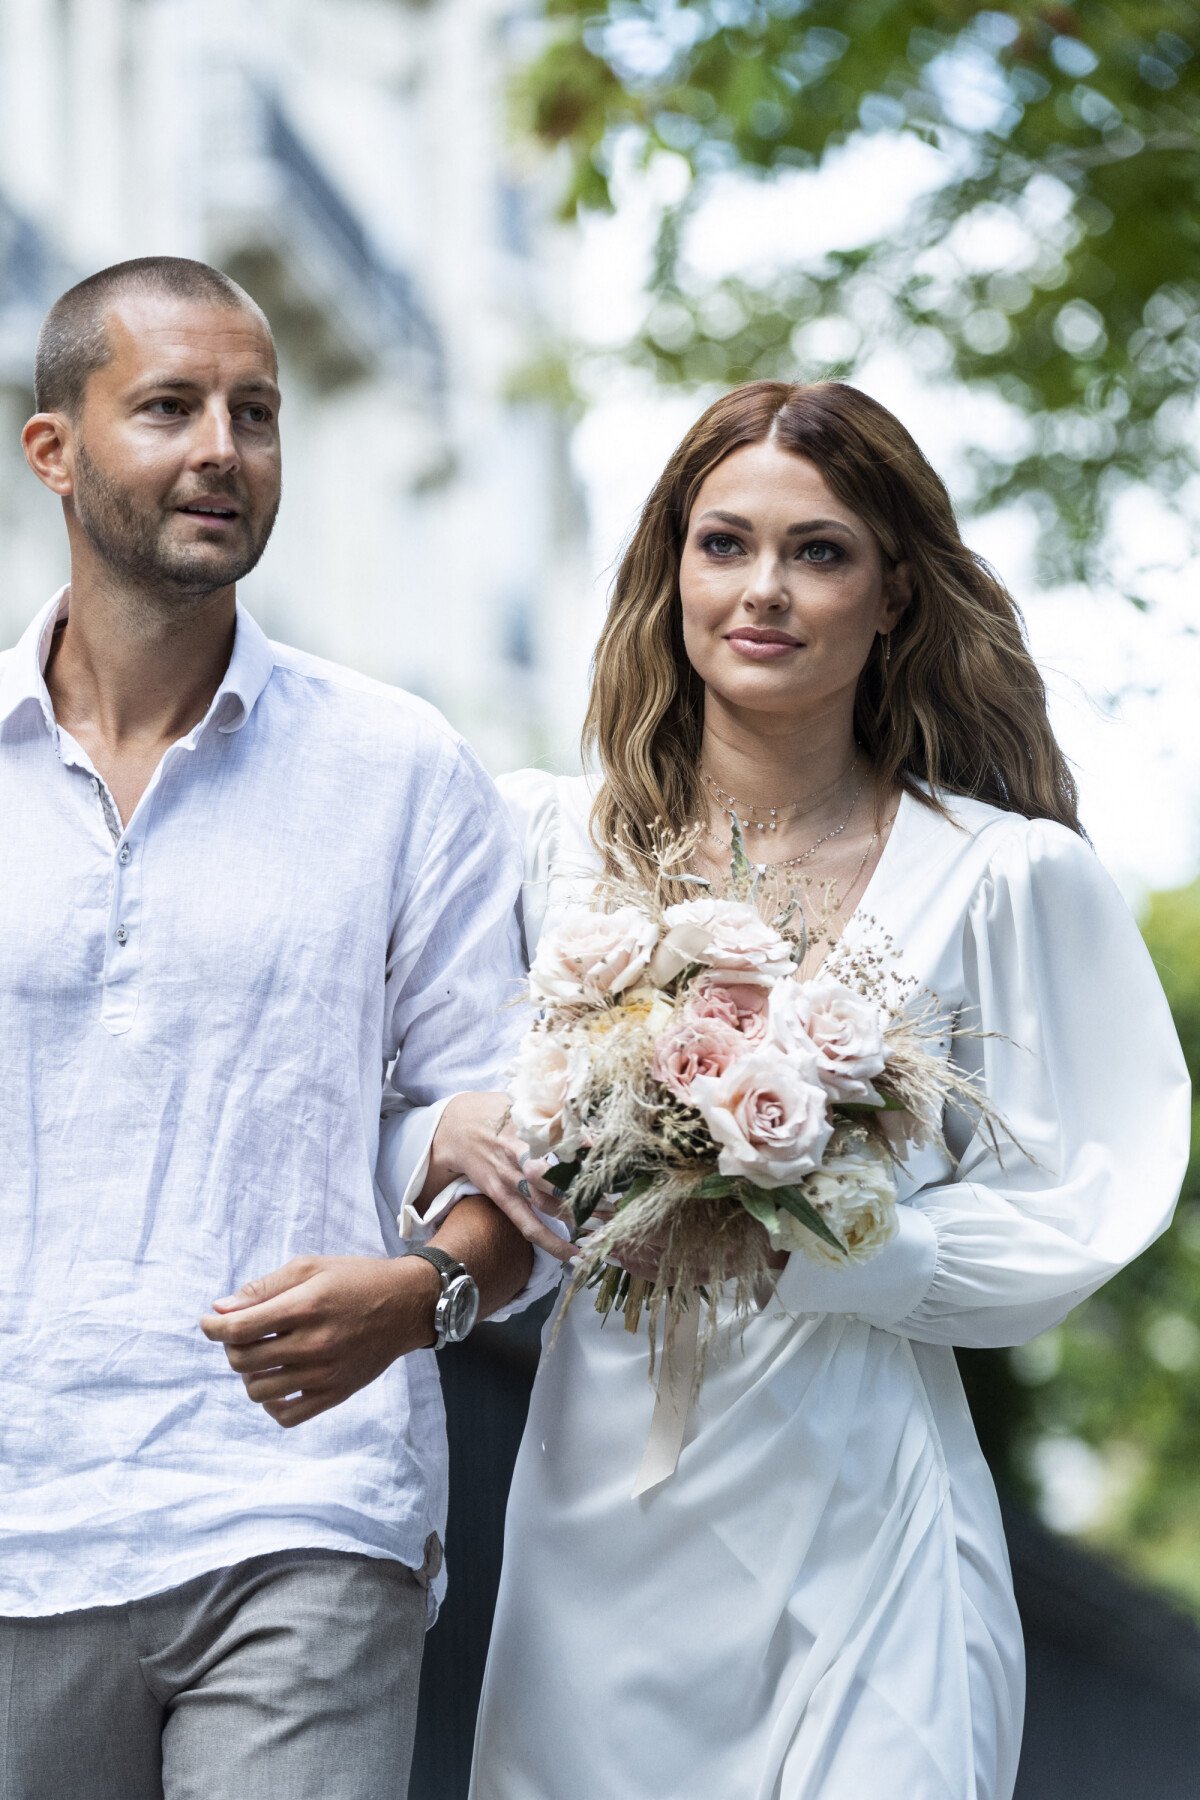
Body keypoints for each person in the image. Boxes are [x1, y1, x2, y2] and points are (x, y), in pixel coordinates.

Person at [416, 381, 1191, 1799]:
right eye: (725, 545)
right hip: (600, 1518)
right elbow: (401, 1086)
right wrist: (444, 1130)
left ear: (895, 592)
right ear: (673, 569)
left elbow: (1097, 1186)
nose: (763, 590)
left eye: (819, 551)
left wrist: (865, 1254)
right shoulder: (541, 845)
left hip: (870, 1508)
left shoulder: (1005, 878)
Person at [0, 255, 562, 1799]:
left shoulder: (397, 768)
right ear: (54, 450)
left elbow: (513, 1139)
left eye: (255, 413)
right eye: (170, 407)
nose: (222, 452)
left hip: (304, 1513)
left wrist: (428, 1293)